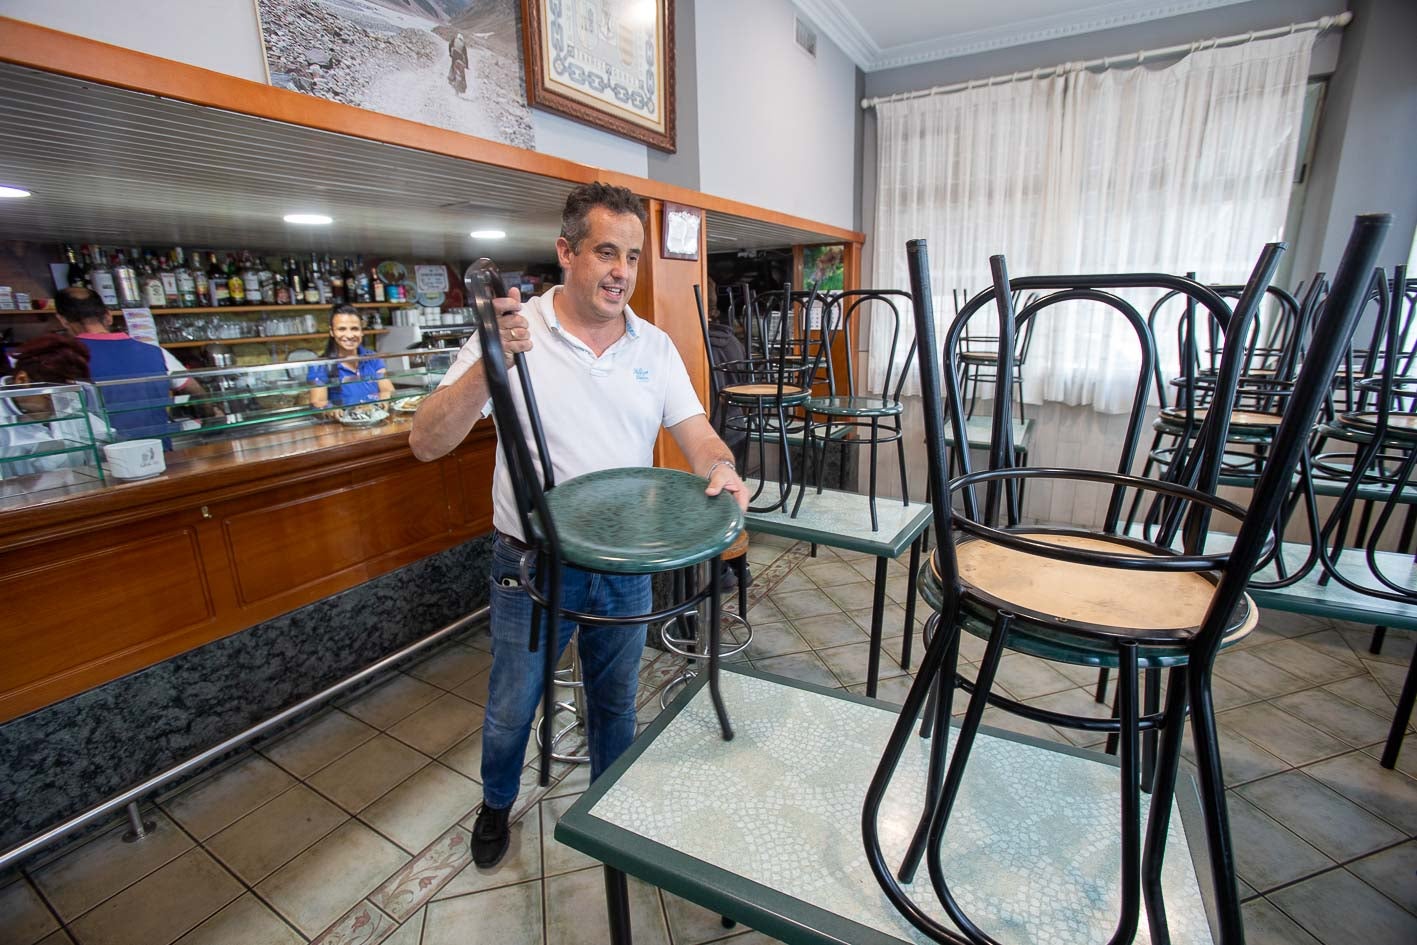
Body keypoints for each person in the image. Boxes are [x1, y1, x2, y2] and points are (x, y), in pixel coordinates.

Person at [410, 181, 748, 868]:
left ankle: (611, 806)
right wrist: (491, 364)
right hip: (529, 564)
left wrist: (722, 464)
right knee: (512, 706)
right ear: (566, 251)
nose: (621, 270)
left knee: (615, 702)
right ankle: (495, 802)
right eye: (604, 251)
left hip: (623, 562)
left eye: (631, 255)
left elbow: (695, 431)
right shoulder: (515, 329)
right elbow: (426, 440)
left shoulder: (651, 346)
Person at [53, 287, 210, 439]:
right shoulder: (155, 352)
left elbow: (52, 411)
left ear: (63, 320)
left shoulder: (63, 359)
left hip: (104, 460)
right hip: (160, 453)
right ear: (108, 316)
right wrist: (210, 421)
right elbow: (197, 392)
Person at [0, 334, 109, 478]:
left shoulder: (66, 399)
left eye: (66, 396)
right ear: (22, 380)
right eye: (49, 397)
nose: (57, 406)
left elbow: (102, 440)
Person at [307, 304, 393, 410]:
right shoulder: (320, 365)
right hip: (344, 423)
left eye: (354, 329)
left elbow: (387, 388)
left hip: (376, 418)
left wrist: (382, 401)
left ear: (361, 331)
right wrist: (331, 410)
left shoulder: (372, 358)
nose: (349, 335)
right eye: (342, 329)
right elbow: (318, 402)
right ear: (332, 332)